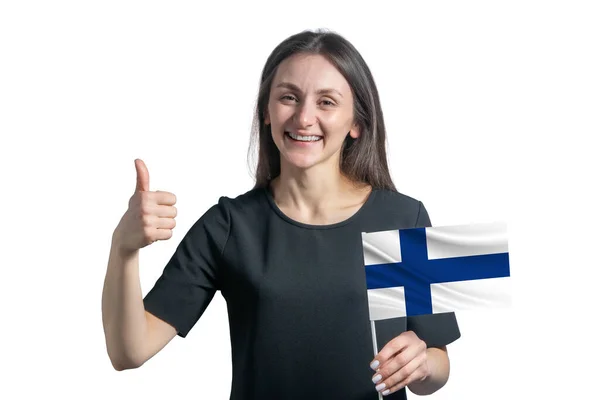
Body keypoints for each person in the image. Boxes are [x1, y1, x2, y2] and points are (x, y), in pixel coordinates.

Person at [102, 28, 460, 400]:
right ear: (267, 113)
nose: (304, 117)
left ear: (356, 123)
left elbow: (439, 363)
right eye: (289, 97)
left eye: (326, 102)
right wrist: (123, 249)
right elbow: (129, 351)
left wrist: (424, 364)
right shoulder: (228, 226)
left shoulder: (405, 217)